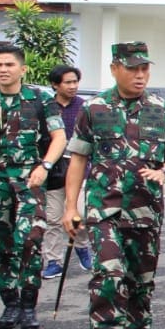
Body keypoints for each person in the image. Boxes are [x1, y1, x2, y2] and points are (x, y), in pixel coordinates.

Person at [63, 42, 165, 329]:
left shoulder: (161, 109)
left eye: (145, 68)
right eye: (133, 68)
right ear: (115, 68)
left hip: (146, 208)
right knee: (108, 275)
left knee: (140, 280)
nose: (140, 74)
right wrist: (70, 206)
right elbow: (78, 159)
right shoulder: (94, 108)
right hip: (104, 208)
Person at [0, 45, 66, 329]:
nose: (2, 69)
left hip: (29, 182)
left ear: (22, 69)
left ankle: (28, 306)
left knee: (29, 240)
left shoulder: (40, 100)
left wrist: (45, 166)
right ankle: (9, 303)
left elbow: (59, 137)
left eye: (9, 64)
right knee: (2, 246)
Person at [41, 64, 91, 279]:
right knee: (52, 218)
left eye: (75, 82)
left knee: (79, 212)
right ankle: (53, 260)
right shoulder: (46, 107)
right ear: (55, 84)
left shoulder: (84, 107)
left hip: (79, 169)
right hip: (53, 171)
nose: (73, 86)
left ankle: (82, 248)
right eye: (67, 82)